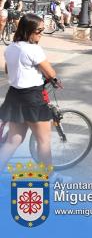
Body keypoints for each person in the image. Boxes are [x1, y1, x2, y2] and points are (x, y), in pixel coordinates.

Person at [0, 14, 58, 177]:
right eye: (39, 30)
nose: (41, 33)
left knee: (13, 141)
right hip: (33, 98)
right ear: (29, 30)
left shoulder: (11, 48)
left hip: (14, 97)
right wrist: (53, 78)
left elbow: (8, 70)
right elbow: (50, 72)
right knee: (44, 141)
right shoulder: (33, 49)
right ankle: (49, 178)